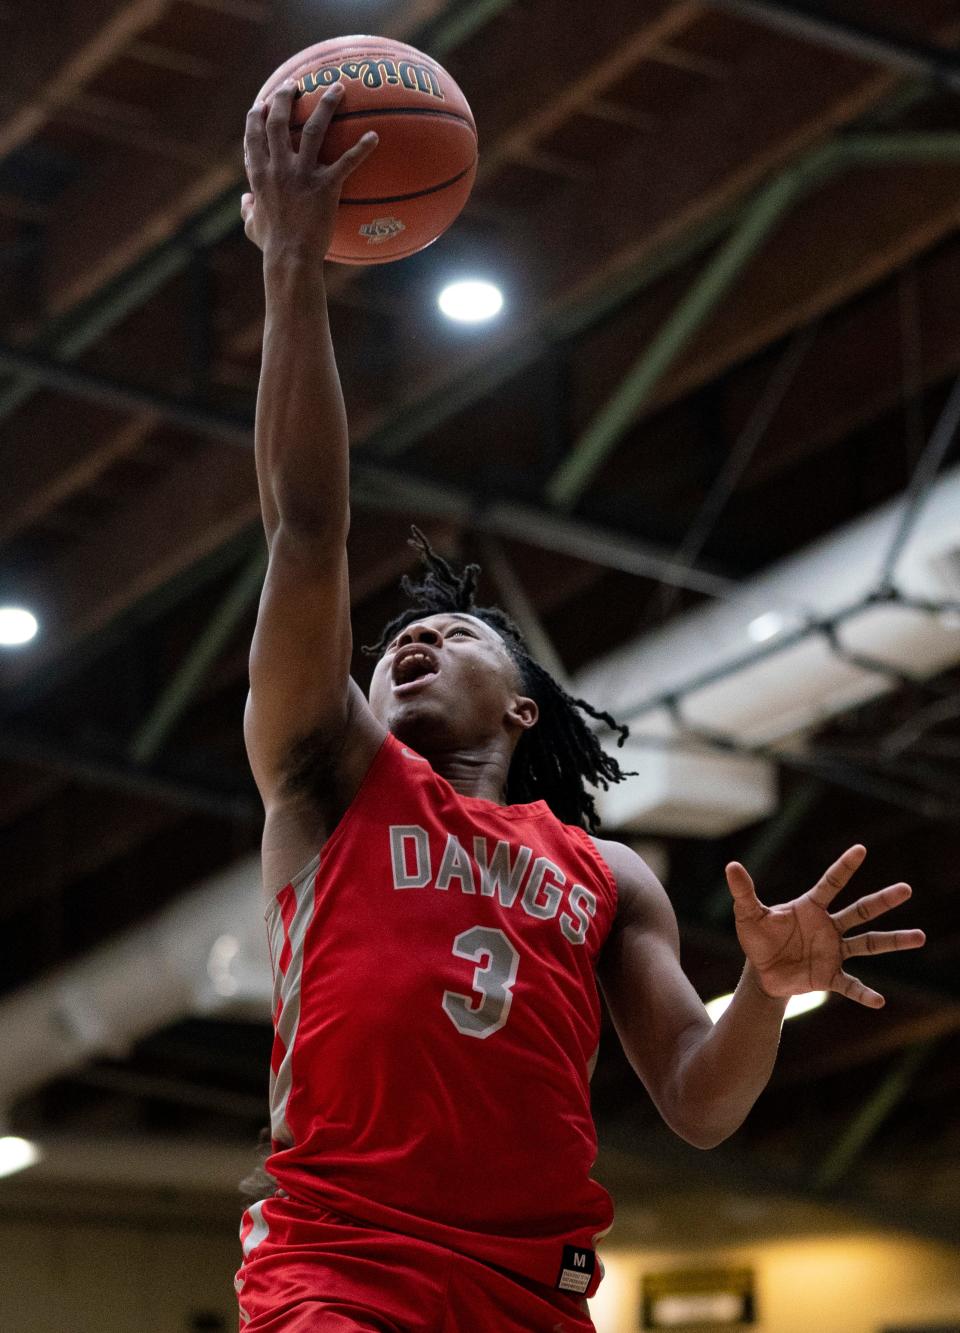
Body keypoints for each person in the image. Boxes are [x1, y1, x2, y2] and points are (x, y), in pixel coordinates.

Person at [233, 79, 927, 1333]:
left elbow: (699, 1104)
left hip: (533, 1289)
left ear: (523, 710)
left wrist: (763, 992)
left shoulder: (610, 876)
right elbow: (307, 526)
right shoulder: (331, 772)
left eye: (454, 634)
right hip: (343, 1262)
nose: (411, 648)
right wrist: (292, 267)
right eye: (397, 643)